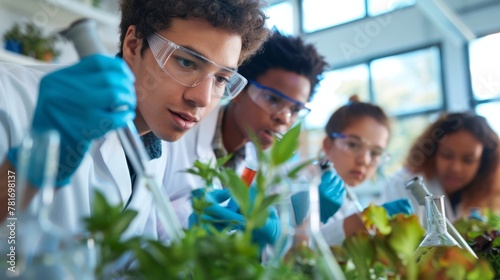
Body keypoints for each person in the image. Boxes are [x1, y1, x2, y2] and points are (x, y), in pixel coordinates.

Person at [0, 0, 269, 241]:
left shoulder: (158, 136)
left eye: (221, 79)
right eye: (187, 63)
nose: (202, 97)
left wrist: (191, 241)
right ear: (133, 44)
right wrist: (26, 169)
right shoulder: (11, 95)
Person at [159, 31, 343, 247]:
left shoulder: (266, 166)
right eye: (273, 99)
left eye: (295, 110)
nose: (283, 118)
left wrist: (306, 214)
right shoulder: (174, 134)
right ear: (237, 89)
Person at [317, 96, 414, 245]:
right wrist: (359, 223)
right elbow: (286, 254)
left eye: (375, 153)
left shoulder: (348, 198)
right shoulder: (297, 184)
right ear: (328, 144)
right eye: (353, 145)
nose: (365, 161)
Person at [380, 111, 500, 223]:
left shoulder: (483, 194)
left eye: (468, 160)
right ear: (431, 153)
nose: (455, 168)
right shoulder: (405, 185)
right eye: (447, 155)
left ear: (484, 163)